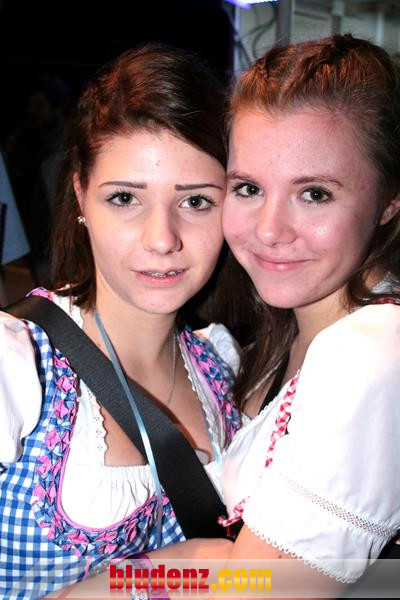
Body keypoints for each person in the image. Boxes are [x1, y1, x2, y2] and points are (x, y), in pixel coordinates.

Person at [90, 33, 400, 598]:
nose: (269, 230)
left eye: (315, 194)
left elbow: (258, 586)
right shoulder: (276, 337)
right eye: (250, 188)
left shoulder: (369, 351)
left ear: (388, 201)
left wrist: (109, 583)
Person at [0, 44, 242, 599]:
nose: (162, 239)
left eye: (197, 202)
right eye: (126, 198)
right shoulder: (16, 366)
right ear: (81, 195)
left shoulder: (223, 368)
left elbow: (253, 577)